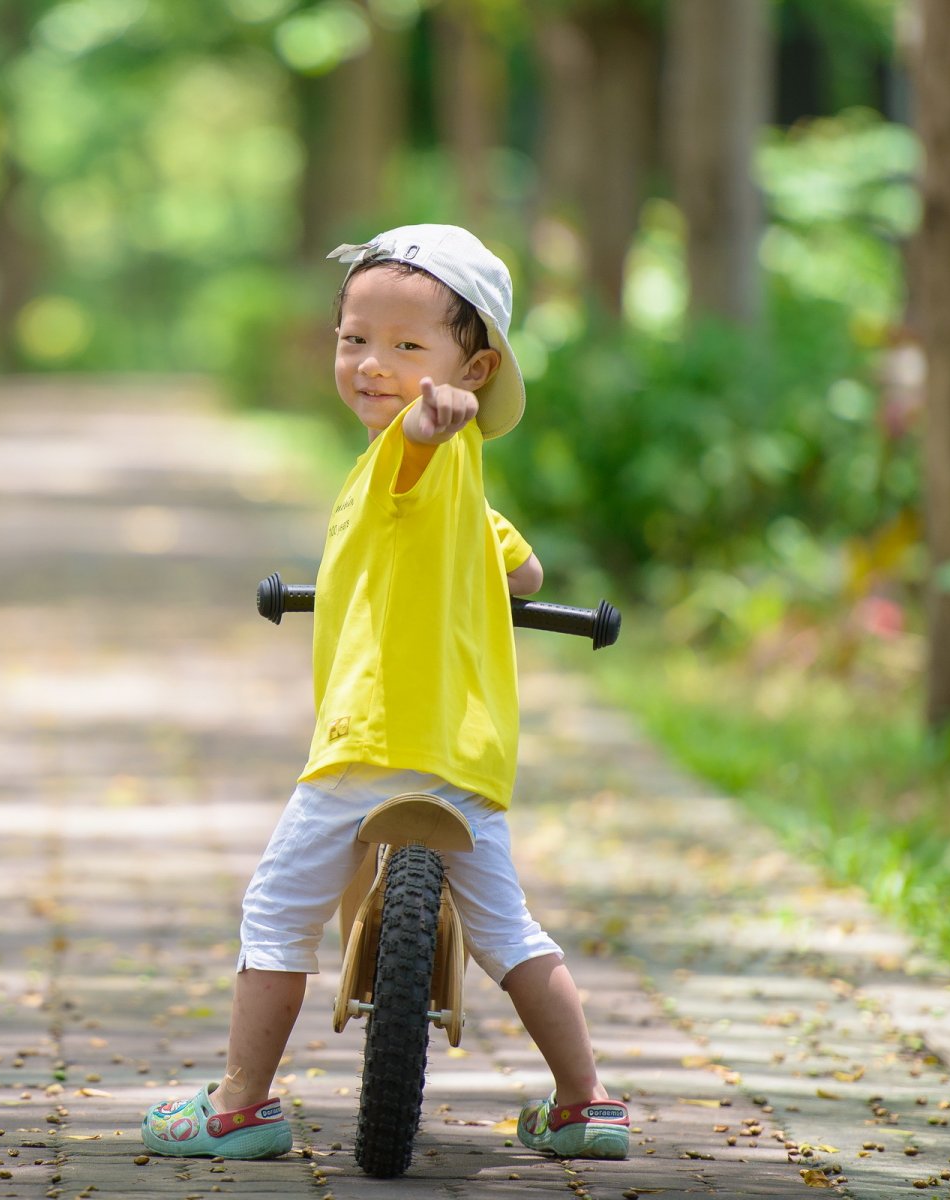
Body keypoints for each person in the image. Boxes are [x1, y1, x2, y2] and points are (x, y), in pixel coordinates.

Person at [140, 224, 629, 1163]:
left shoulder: (412, 454)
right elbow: (524, 575)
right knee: (510, 933)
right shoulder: (470, 492)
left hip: (368, 743)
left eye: (409, 348)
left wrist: (420, 424)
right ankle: (587, 1101)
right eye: (354, 340)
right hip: (465, 757)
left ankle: (240, 1105)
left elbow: (410, 454)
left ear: (474, 369)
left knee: (278, 913)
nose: (373, 365)